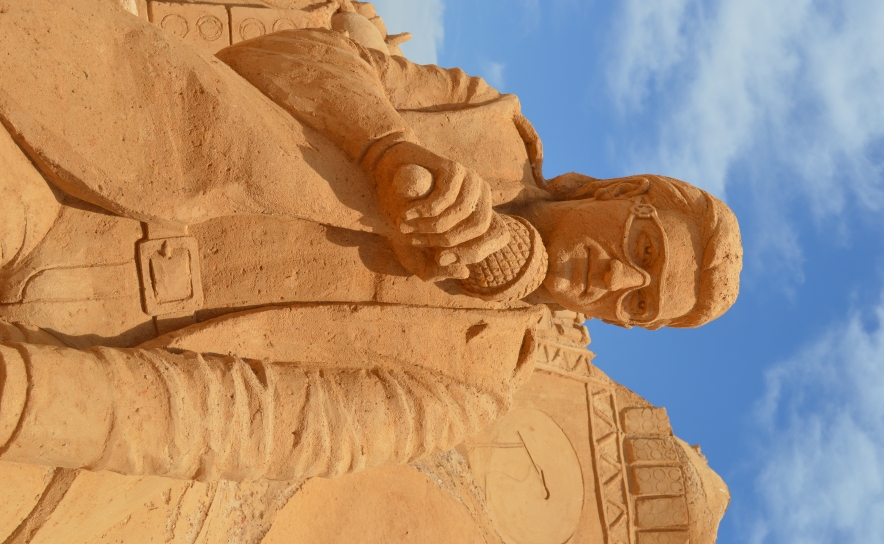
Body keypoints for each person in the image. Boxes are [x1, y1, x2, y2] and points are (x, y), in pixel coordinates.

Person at [0, 1, 739, 537]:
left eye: (638, 306)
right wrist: (385, 148)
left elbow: (259, 425)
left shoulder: (474, 387)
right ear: (620, 193)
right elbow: (285, 55)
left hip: (96, 349)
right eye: (644, 251)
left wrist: (35, 395)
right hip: (88, 151)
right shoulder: (486, 122)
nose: (616, 282)